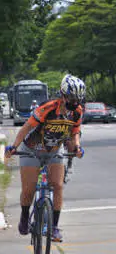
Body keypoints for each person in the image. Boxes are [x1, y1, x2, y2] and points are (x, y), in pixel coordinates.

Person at [4, 74, 86, 242]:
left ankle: (54, 227)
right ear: (63, 95)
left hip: (54, 150)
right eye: (71, 97)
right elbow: (26, 128)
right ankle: (25, 216)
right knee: (29, 189)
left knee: (57, 185)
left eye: (78, 99)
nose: (75, 102)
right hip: (32, 149)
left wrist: (76, 147)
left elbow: (75, 132)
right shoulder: (48, 108)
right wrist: (14, 147)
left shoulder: (77, 111)